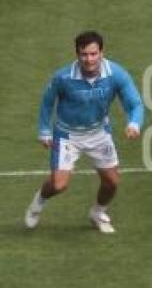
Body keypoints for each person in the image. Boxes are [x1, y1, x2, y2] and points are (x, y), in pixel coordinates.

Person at [25, 30, 144, 234]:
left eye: (93, 54)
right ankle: (39, 200)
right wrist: (44, 131)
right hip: (67, 135)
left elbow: (135, 104)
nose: (89, 59)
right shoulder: (62, 77)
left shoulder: (116, 74)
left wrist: (134, 124)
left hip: (98, 133)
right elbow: (47, 102)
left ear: (101, 52)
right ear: (77, 54)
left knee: (112, 182)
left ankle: (97, 213)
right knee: (59, 185)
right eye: (84, 54)